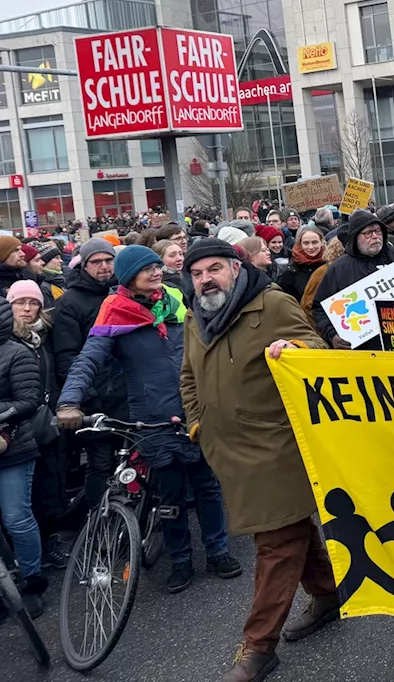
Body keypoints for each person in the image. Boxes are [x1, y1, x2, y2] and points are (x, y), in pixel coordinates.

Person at [179, 238, 340, 682]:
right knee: (289, 530)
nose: (205, 279)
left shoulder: (271, 304)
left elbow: (317, 349)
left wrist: (295, 351)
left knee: (276, 543)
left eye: (214, 269)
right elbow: (189, 376)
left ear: (236, 267)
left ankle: (258, 646)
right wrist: (199, 426)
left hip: (275, 449)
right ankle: (328, 595)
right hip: (226, 452)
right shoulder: (196, 315)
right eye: (196, 273)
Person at [56, 245, 241, 594]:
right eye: (148, 269)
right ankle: (181, 560)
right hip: (152, 418)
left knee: (207, 487)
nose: (157, 272)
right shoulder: (114, 312)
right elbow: (87, 359)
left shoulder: (176, 301)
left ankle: (218, 551)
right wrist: (69, 401)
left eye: (158, 266)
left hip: (194, 410)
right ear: (129, 277)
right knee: (169, 494)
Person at [50, 239, 125, 512]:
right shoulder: (70, 301)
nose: (104, 266)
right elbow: (67, 355)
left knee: (128, 460)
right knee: (101, 464)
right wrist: (86, 396)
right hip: (94, 398)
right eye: (96, 262)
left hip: (126, 394)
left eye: (108, 260)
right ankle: (99, 523)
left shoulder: (121, 291)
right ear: (84, 264)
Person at [8, 281, 66, 572]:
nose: (28, 309)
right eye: (21, 303)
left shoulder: (46, 335)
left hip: (46, 421)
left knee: (49, 485)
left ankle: (48, 544)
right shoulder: (9, 340)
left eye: (34, 303)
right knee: (22, 496)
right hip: (18, 426)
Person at [0, 296, 45, 616]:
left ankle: (32, 579)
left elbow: (29, 400)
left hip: (12, 447)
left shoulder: (16, 352)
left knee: (16, 517)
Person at [310, 209, 394, 350]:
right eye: (368, 233)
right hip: (360, 350)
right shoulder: (339, 268)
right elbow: (319, 308)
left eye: (378, 231)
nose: (374, 237)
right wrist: (332, 335)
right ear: (355, 236)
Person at [276, 227, 327, 303]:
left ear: (321, 243)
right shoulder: (289, 272)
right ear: (300, 245)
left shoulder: (330, 266)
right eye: (306, 243)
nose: (311, 247)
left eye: (314, 242)